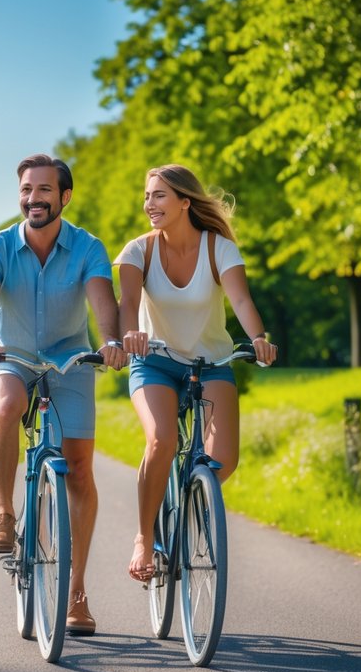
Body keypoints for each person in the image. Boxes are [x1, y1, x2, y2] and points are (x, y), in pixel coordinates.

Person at [0, 152, 128, 636]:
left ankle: (76, 592)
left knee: (79, 470)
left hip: (71, 360)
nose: (32, 199)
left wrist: (112, 341)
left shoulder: (88, 247)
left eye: (43, 191)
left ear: (64, 196)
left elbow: (103, 303)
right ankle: (3, 510)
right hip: (9, 356)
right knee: (10, 404)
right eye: (26, 191)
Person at [115, 164, 278, 584]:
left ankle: (191, 496)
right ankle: (144, 538)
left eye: (159, 196)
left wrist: (258, 336)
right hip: (154, 360)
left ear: (186, 201)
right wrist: (130, 333)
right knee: (161, 439)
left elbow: (240, 299)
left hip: (212, 363)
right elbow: (127, 304)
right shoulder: (138, 251)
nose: (149, 204)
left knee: (223, 459)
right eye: (147, 196)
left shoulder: (218, 248)